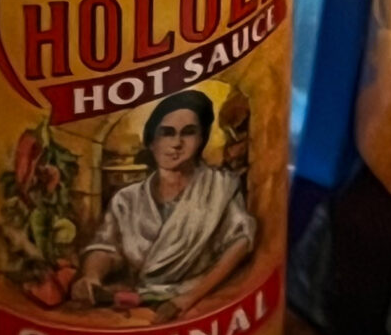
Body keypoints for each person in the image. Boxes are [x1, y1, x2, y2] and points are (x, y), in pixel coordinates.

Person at [71, 92, 256, 316]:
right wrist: (92, 276)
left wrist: (188, 299)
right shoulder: (126, 199)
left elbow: (241, 242)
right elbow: (106, 247)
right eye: (167, 133)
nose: (177, 144)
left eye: (188, 133)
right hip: (135, 304)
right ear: (151, 141)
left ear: (201, 140)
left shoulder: (220, 188)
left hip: (199, 303)